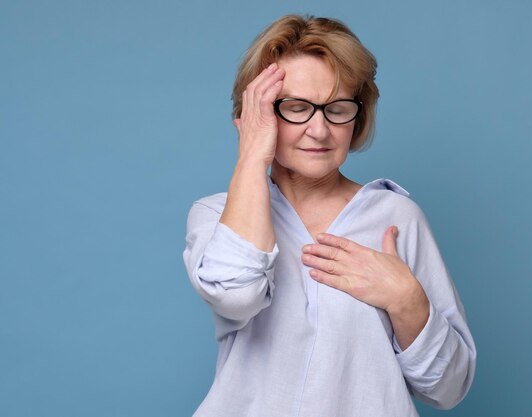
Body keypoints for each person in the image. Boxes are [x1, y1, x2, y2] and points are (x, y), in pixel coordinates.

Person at [183, 14, 476, 417]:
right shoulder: (216, 214)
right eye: (296, 108)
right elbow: (236, 296)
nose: (319, 130)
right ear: (259, 113)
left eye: (337, 108)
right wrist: (252, 156)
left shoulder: (396, 217)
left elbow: (450, 387)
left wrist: (406, 300)